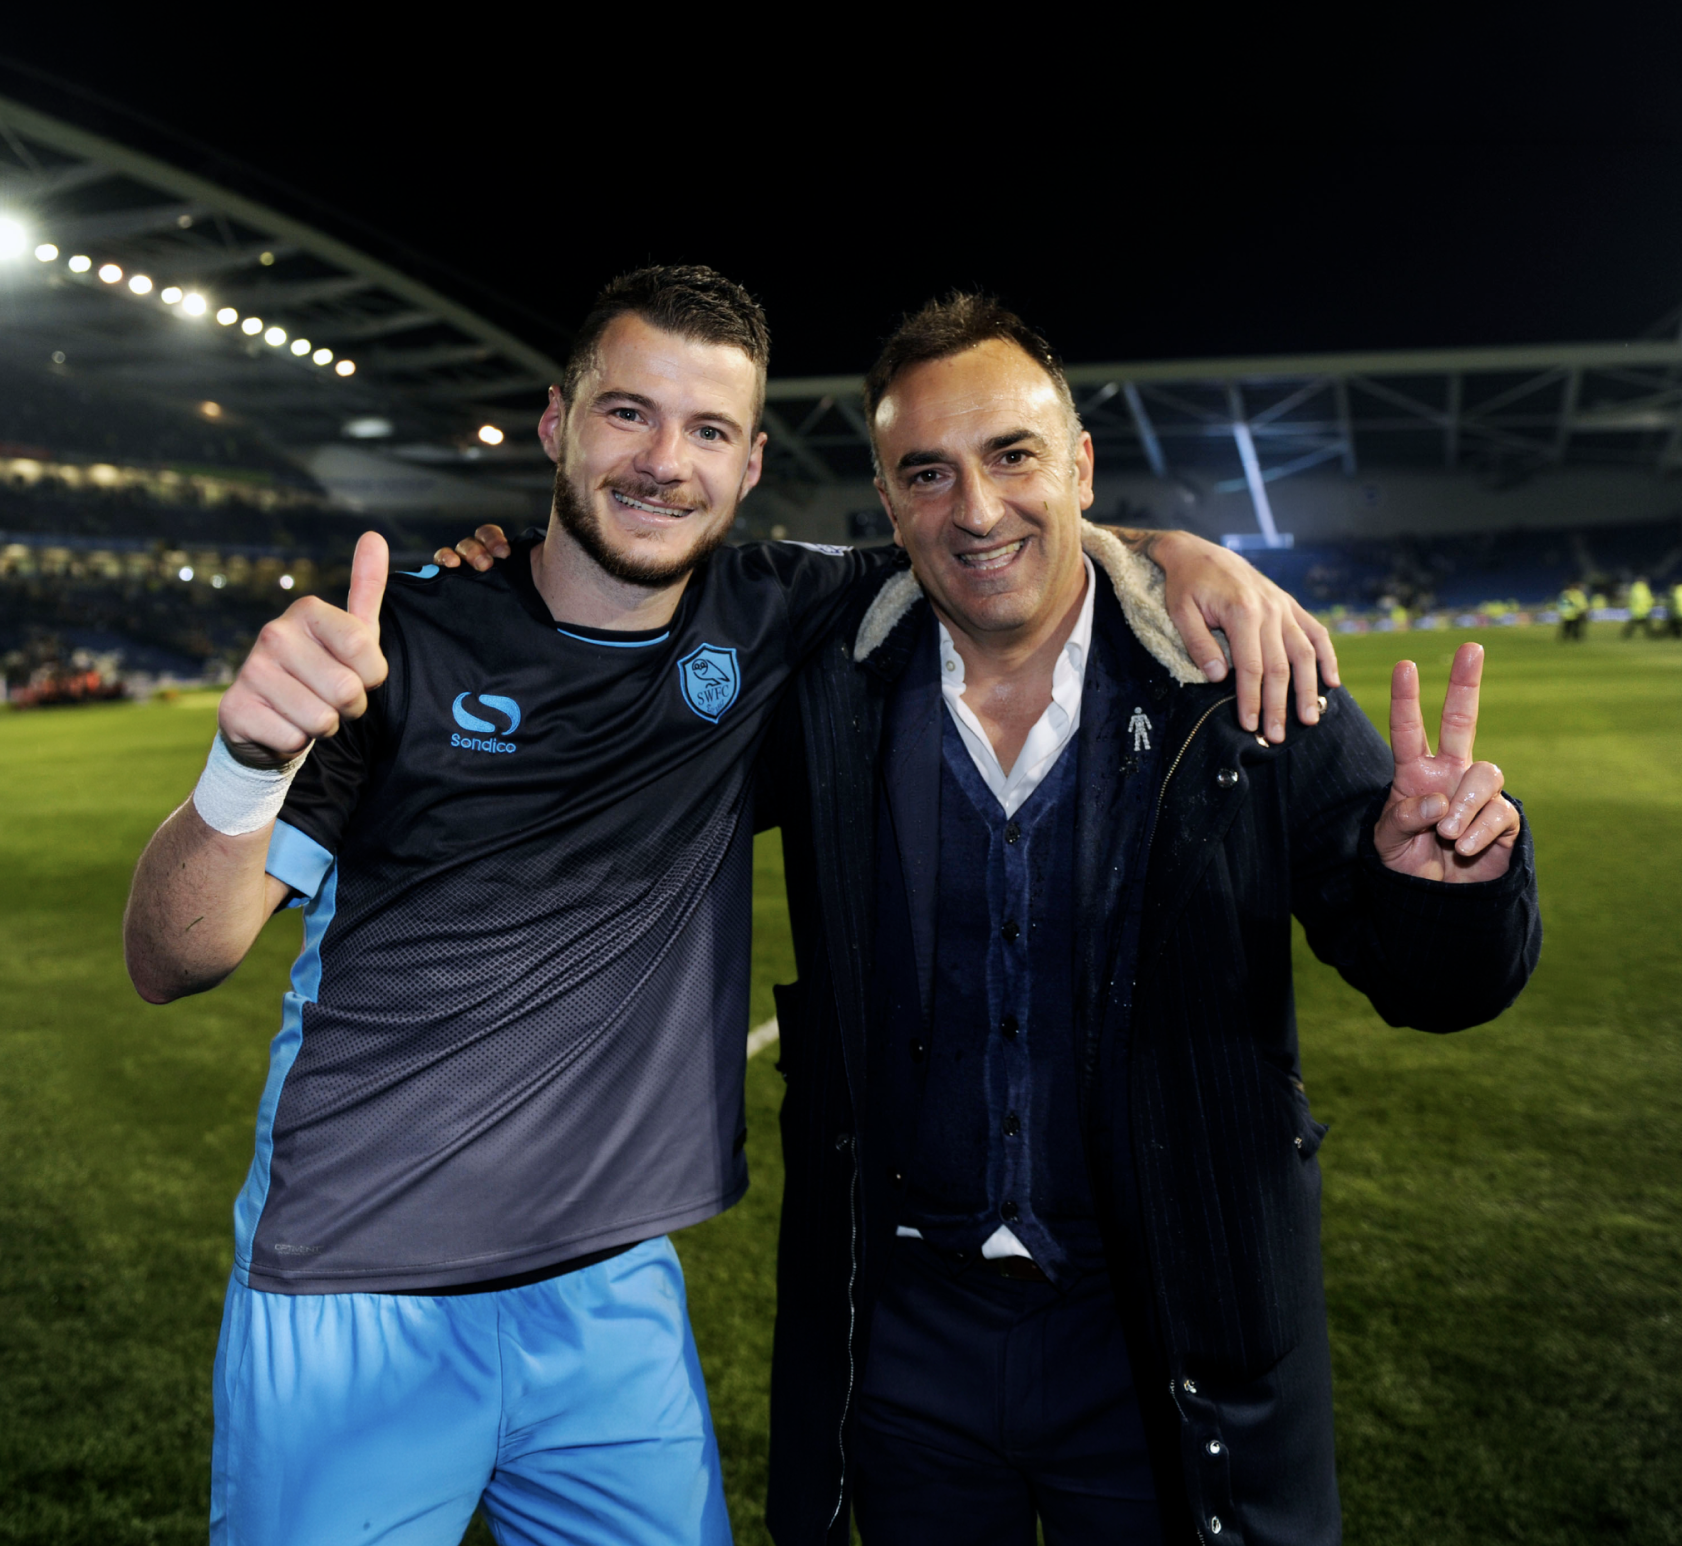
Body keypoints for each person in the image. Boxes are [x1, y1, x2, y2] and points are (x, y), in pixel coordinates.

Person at [124, 265, 1331, 1546]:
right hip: (354, 1284)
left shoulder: (777, 613)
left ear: (749, 465)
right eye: (626, 413)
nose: (663, 462)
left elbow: (986, 536)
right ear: (555, 423)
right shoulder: (406, 642)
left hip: (610, 1292)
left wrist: (1181, 555)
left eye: (706, 430)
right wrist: (243, 765)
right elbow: (173, 955)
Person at [748, 296, 1541, 1546]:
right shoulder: (825, 684)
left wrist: (1440, 887)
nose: (975, 508)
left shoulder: (1237, 676)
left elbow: (1435, 984)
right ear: (888, 502)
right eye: (927, 473)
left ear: (1079, 464)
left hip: (1157, 1338)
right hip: (907, 1343)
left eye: (1012, 454)